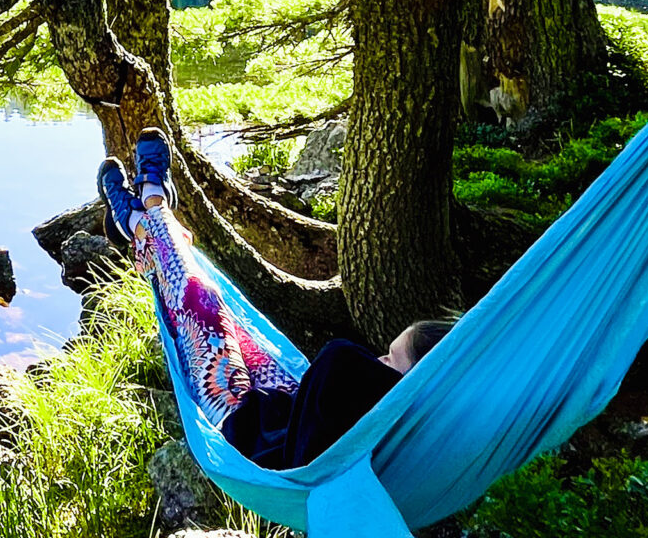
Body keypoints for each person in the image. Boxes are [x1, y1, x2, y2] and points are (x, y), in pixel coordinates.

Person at [99, 128, 454, 470]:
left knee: (198, 297)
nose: (377, 359)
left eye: (391, 360)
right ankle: (142, 218)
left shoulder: (390, 415)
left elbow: (336, 376)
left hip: (240, 424)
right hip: (284, 401)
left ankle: (149, 208)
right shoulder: (383, 416)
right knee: (221, 307)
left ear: (413, 384)